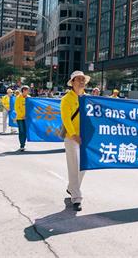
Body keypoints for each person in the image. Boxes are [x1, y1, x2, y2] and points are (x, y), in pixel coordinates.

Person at [61, 71, 90, 211]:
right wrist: (73, 135)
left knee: (83, 166)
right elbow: (66, 119)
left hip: (85, 137)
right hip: (72, 137)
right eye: (78, 79)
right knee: (74, 166)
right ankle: (76, 198)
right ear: (72, 82)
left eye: (83, 79)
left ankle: (71, 187)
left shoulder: (88, 99)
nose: (81, 81)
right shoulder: (66, 99)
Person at [14, 86, 30, 151]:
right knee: (21, 131)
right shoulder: (18, 98)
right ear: (23, 90)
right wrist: (22, 115)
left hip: (27, 118)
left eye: (28, 90)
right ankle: (22, 145)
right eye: (26, 90)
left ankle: (24, 144)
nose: (27, 91)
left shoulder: (29, 98)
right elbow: (16, 108)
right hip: (20, 118)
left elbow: (31, 107)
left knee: (25, 131)